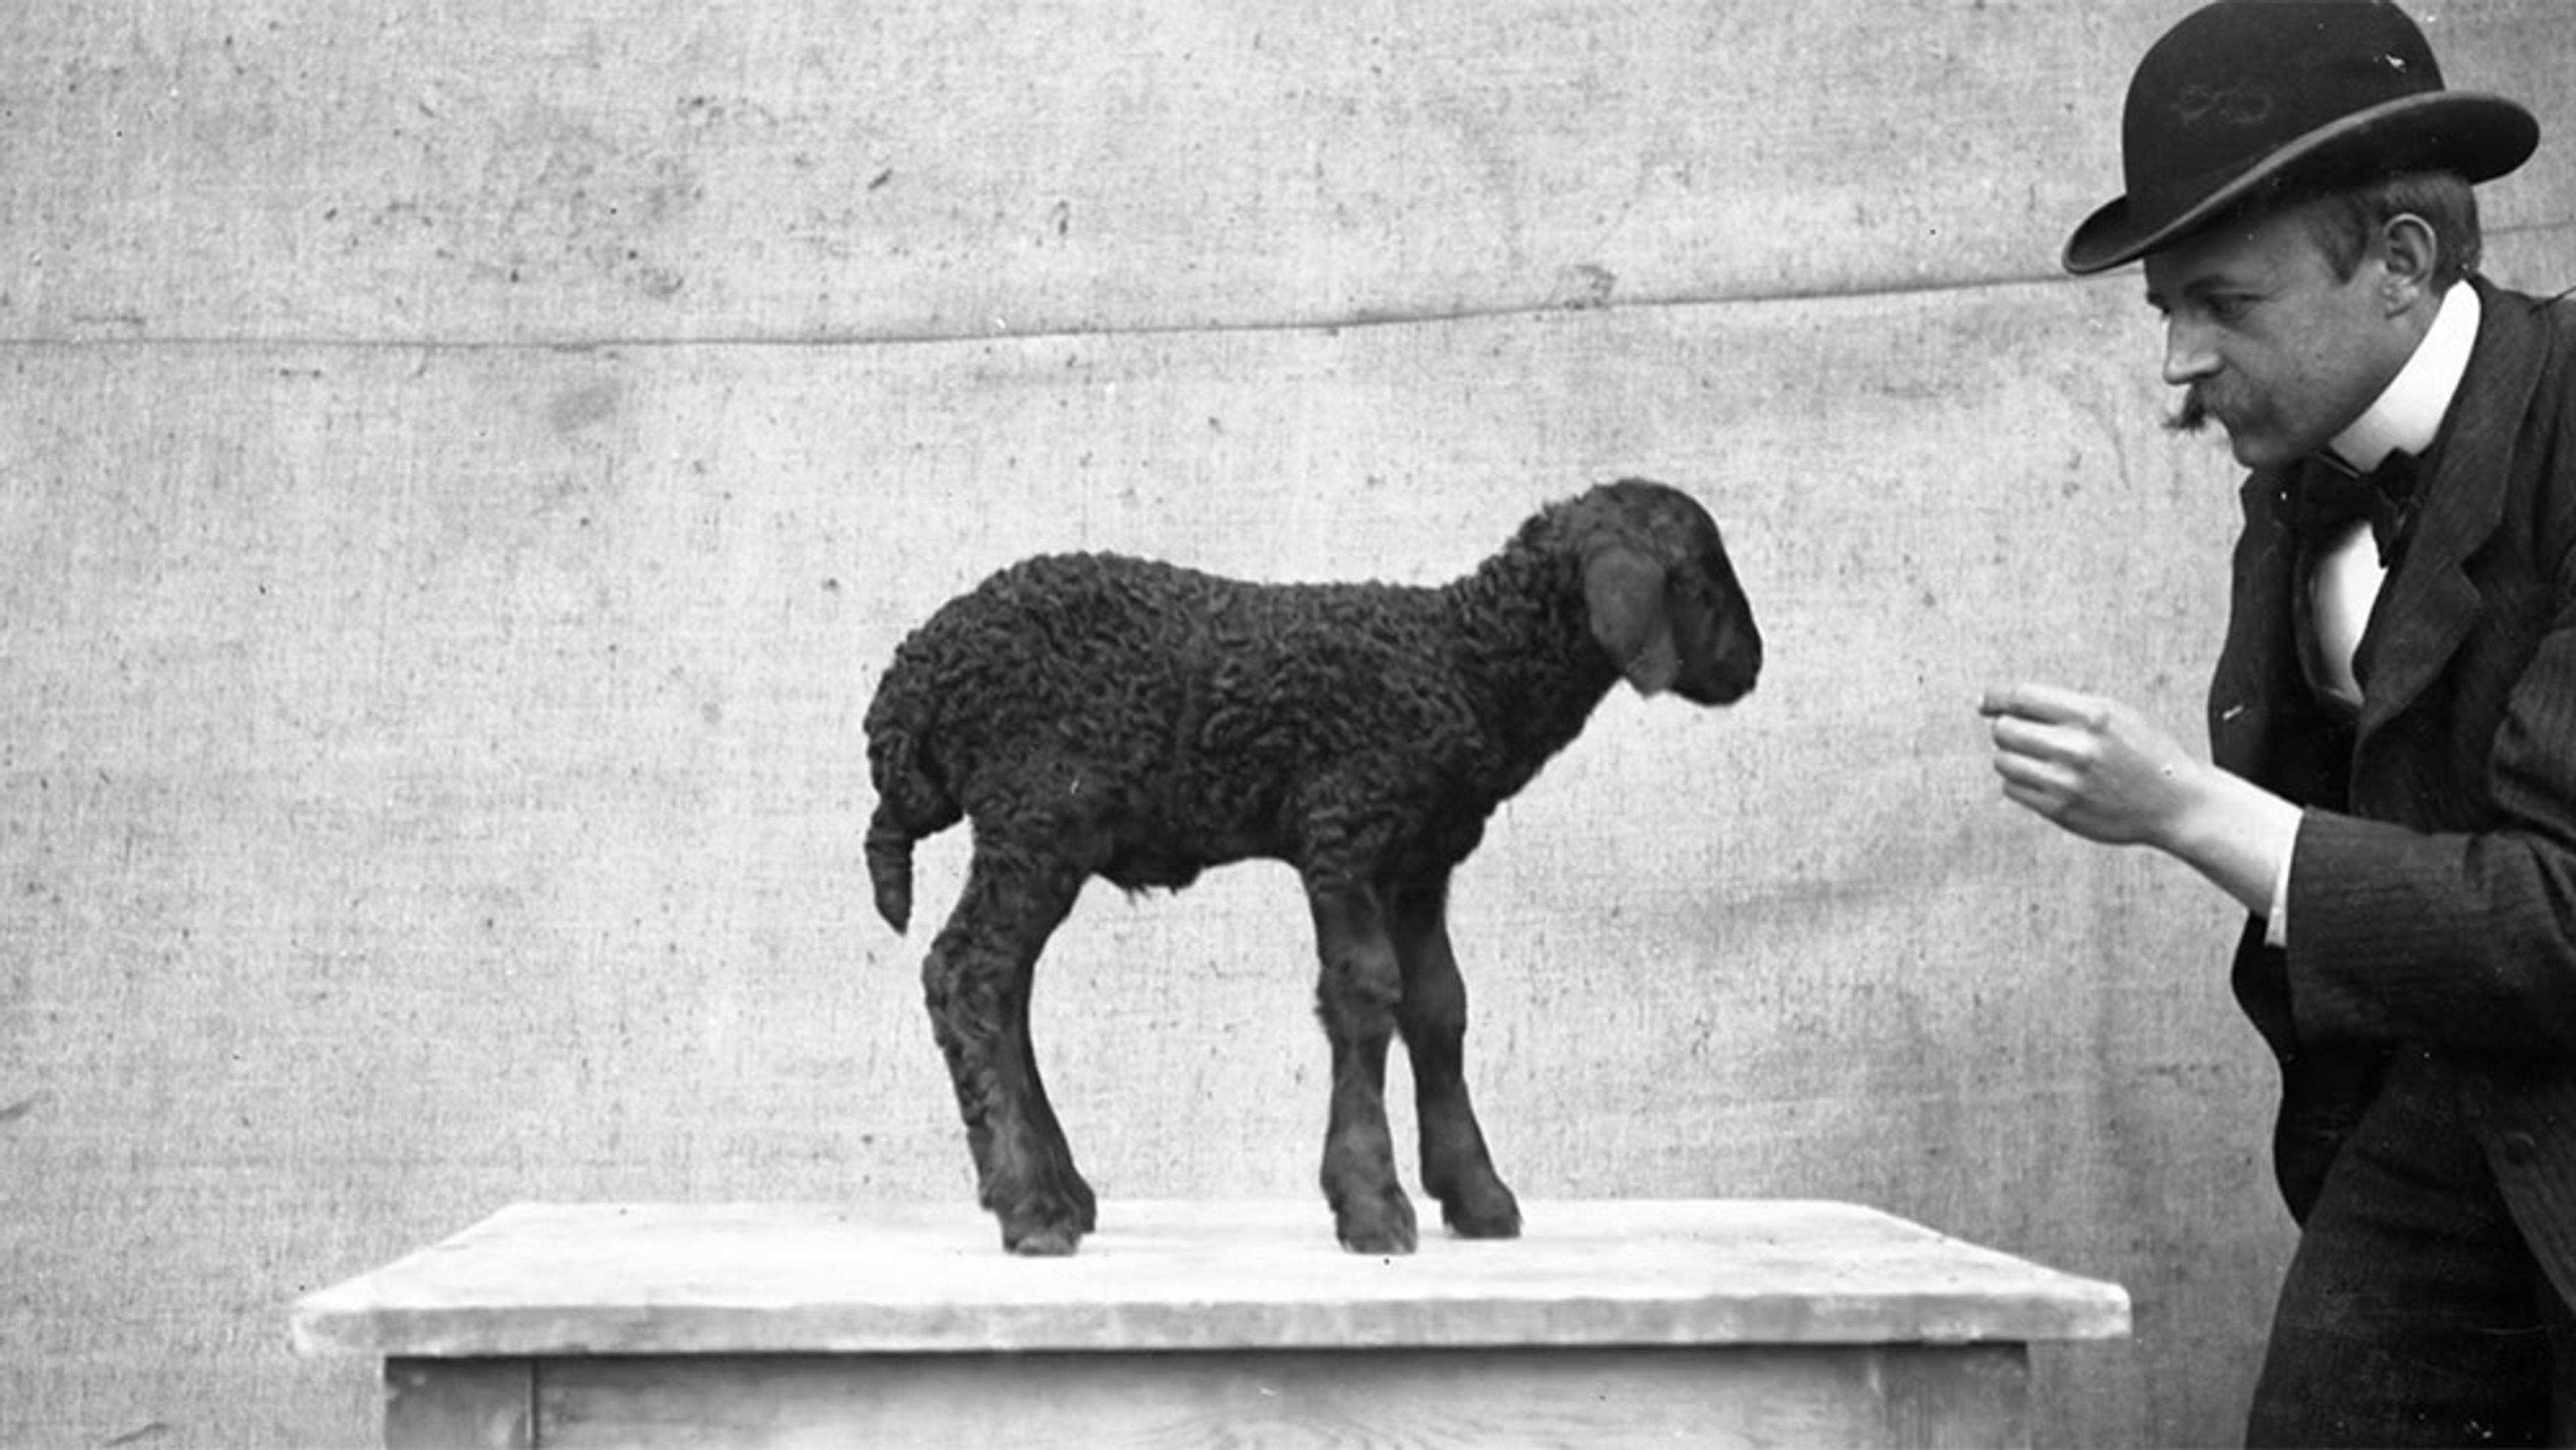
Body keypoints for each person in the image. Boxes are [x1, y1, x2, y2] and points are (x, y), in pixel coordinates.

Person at [1979, 1, 2576, 1443]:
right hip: (2443, 1127)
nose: (2179, 361)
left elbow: (2564, 915)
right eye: (2164, 309)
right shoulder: (2304, 482)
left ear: (2402, 262)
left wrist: (2187, 809)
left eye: (2224, 304)